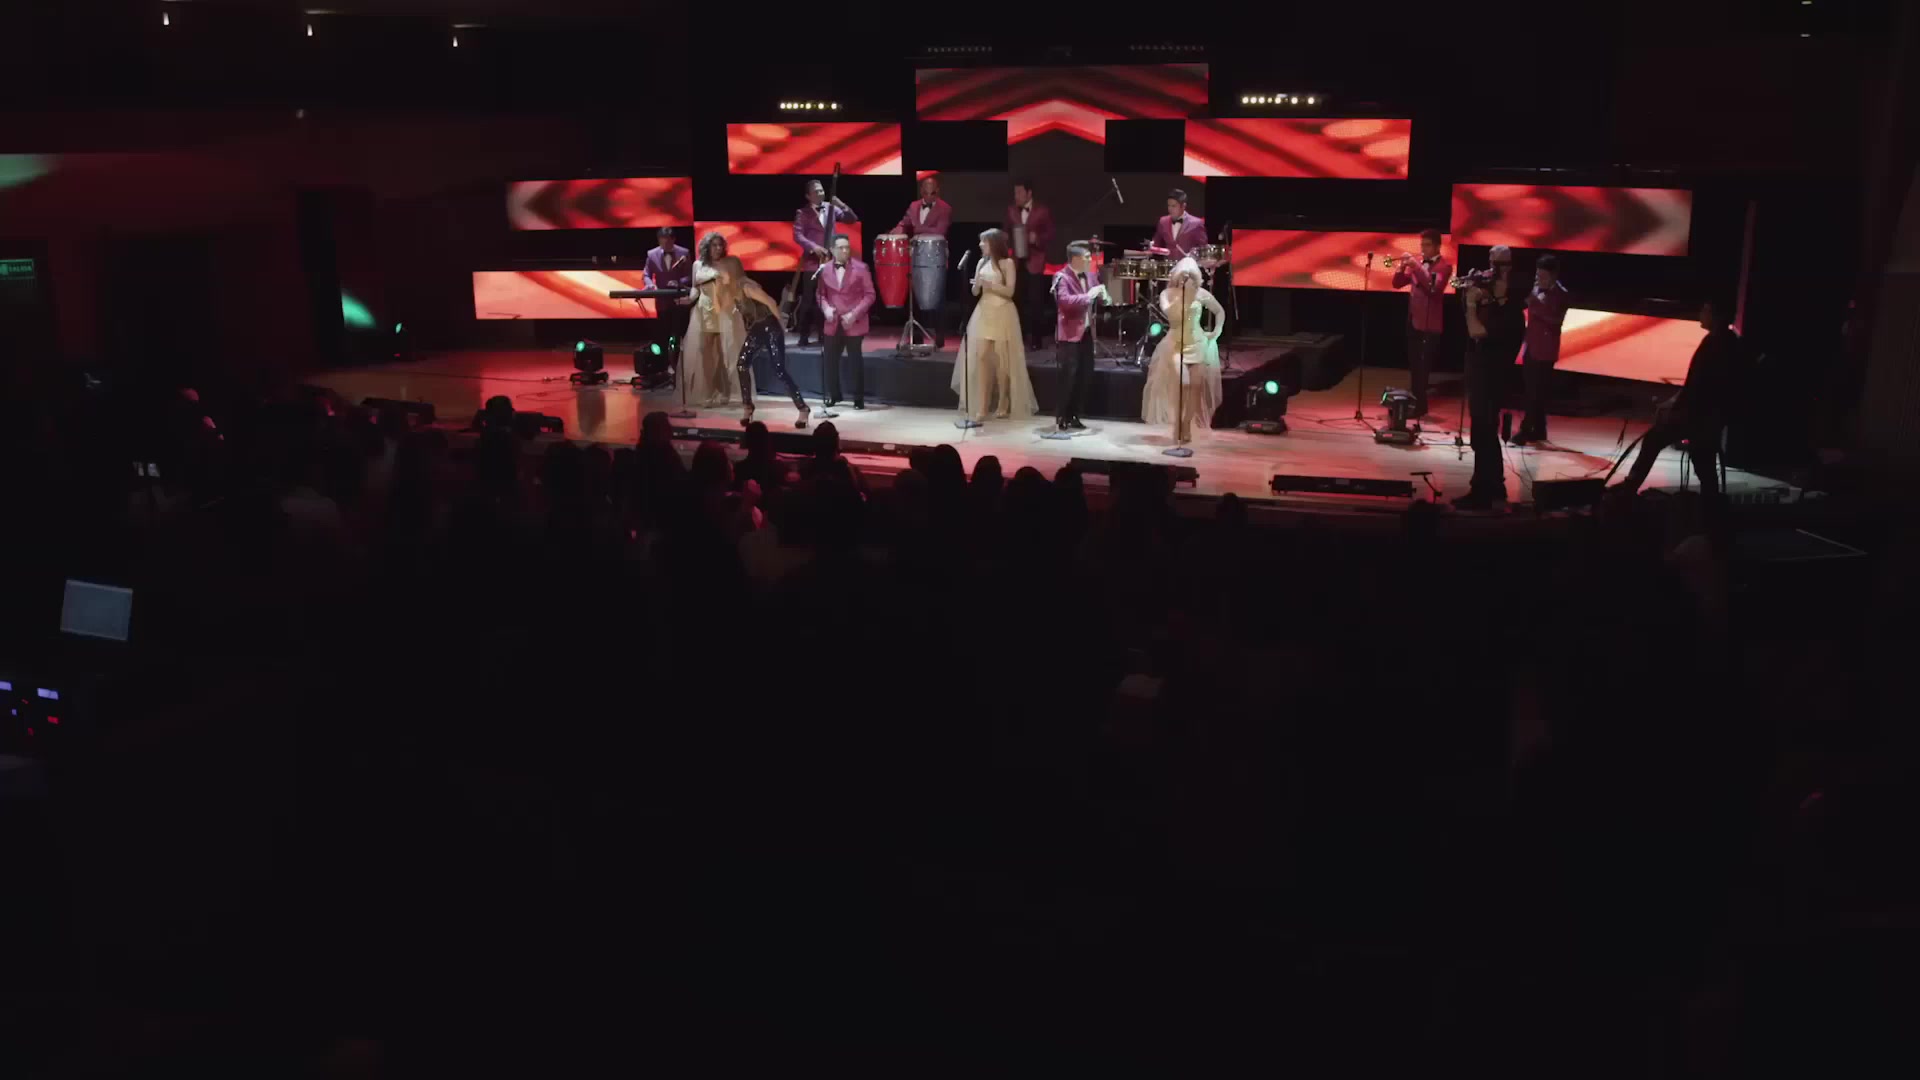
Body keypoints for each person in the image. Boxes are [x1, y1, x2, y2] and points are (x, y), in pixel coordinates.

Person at [1618, 295, 1745, 501]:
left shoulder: (1717, 344)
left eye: (1706, 310)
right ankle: (1710, 499)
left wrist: (1676, 412)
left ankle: (1629, 488)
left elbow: (1702, 388)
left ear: (1718, 316)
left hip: (1700, 416)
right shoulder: (1724, 341)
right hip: (1705, 416)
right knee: (1701, 460)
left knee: (1656, 440)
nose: (1701, 314)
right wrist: (1673, 403)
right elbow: (1696, 383)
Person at [1452, 245, 1525, 510]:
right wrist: (1469, 298)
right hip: (1482, 374)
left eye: (1499, 270)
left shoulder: (1510, 314)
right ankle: (1492, 487)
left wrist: (1472, 305)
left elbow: (1476, 331)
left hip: (1491, 378)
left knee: (1484, 434)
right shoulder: (1496, 306)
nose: (1492, 277)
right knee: (1481, 433)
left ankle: (1484, 491)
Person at [953, 229, 1038, 422]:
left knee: (1002, 360)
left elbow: (1010, 291)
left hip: (1002, 312)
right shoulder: (981, 263)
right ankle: (983, 405)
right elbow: (976, 292)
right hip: (984, 312)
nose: (980, 245)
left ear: (994, 243)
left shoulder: (1007, 263)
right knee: (982, 357)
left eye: (984, 242)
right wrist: (976, 285)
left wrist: (990, 285)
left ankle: (1003, 401)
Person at [1140, 257, 1225, 443]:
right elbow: (1171, 315)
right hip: (1175, 344)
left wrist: (1217, 331)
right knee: (1182, 384)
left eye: (1190, 276)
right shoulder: (1167, 294)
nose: (1186, 279)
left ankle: (1186, 424)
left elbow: (1219, 311)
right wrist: (1185, 298)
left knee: (1195, 386)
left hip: (1198, 343)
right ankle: (1177, 423)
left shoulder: (1201, 293)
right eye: (1183, 276)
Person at [720, 255, 810, 428]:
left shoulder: (747, 287)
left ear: (731, 271)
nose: (719, 274)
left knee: (779, 370)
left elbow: (770, 301)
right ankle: (747, 407)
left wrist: (781, 326)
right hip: (756, 329)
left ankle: (803, 408)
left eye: (722, 271)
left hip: (769, 327)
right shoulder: (732, 290)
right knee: (742, 364)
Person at [791, 179, 858, 348]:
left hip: (830, 261)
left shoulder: (831, 208)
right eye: (816, 191)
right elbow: (798, 235)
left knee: (828, 299)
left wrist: (841, 204)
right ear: (808, 196)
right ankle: (804, 335)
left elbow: (852, 219)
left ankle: (824, 334)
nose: (820, 194)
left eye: (821, 190)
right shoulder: (802, 213)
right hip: (813, 262)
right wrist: (814, 247)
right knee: (809, 301)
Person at [1391, 227, 1450, 417]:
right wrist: (1401, 267)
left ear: (1437, 246)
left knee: (1422, 369)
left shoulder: (1444, 267)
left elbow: (1433, 288)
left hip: (1429, 325)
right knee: (1415, 367)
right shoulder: (1420, 265)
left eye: (1427, 245)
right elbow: (1397, 283)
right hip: (1413, 321)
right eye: (1422, 245)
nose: (1423, 249)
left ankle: (1420, 407)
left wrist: (1416, 266)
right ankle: (1415, 404)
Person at [814, 234, 877, 411]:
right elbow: (820, 294)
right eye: (841, 248)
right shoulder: (824, 269)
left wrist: (854, 314)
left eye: (847, 247)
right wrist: (826, 308)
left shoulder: (861, 268)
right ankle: (834, 395)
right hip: (833, 321)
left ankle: (858, 398)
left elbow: (870, 295)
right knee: (830, 360)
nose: (844, 251)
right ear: (832, 250)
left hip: (853, 321)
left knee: (855, 360)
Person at [1513, 254, 1569, 446]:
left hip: (1546, 349)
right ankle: (1539, 430)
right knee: (1532, 390)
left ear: (1553, 276)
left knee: (1536, 392)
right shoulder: (1536, 289)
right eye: (1537, 275)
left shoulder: (1561, 294)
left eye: (1543, 276)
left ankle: (1526, 430)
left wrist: (1535, 305)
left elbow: (1556, 320)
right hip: (1531, 345)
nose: (1538, 280)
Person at [1051, 240, 1107, 431]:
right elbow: (1065, 302)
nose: (1090, 260)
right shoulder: (1061, 277)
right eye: (1087, 257)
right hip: (1069, 335)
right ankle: (1062, 416)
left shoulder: (1090, 275)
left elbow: (1097, 296)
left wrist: (1103, 296)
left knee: (1084, 375)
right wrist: (1089, 295)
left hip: (1086, 333)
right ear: (1075, 259)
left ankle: (1075, 415)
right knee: (1068, 376)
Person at [685, 232, 745, 407]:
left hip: (724, 311)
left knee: (722, 353)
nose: (718, 248)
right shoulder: (698, 264)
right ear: (707, 247)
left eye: (720, 245)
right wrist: (687, 300)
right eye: (714, 245)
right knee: (705, 353)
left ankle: (724, 390)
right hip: (704, 311)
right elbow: (695, 289)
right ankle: (709, 392)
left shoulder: (730, 263)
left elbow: (739, 286)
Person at [1004, 179, 1054, 351]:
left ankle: (1036, 339)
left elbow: (1050, 234)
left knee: (1035, 302)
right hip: (1017, 262)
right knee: (1016, 300)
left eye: (1019, 192)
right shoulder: (1011, 210)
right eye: (1015, 193)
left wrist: (1037, 238)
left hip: (1035, 261)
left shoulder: (1042, 211)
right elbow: (1006, 232)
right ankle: (1019, 335)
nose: (1016, 196)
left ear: (1029, 193)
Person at [644, 226, 694, 352]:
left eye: (667, 240)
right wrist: (650, 284)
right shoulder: (652, 254)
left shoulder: (684, 253)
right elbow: (646, 275)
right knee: (662, 332)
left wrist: (679, 282)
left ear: (673, 239)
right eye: (662, 240)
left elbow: (690, 275)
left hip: (679, 299)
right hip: (662, 300)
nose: (665, 244)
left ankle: (679, 359)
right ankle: (663, 360)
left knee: (679, 331)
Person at [1151, 188, 1208, 261]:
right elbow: (1156, 245)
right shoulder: (1163, 221)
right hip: (1169, 265)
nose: (1170, 209)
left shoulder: (1196, 223)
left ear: (1183, 206)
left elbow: (1204, 249)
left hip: (1188, 266)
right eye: (1169, 205)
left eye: (1173, 206)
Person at [892, 174, 952, 238]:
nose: (929, 197)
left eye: (932, 193)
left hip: (935, 244)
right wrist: (900, 228)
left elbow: (940, 231)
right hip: (915, 243)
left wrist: (918, 229)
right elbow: (904, 223)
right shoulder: (913, 206)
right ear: (921, 191)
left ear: (937, 191)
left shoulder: (945, 208)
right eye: (926, 193)